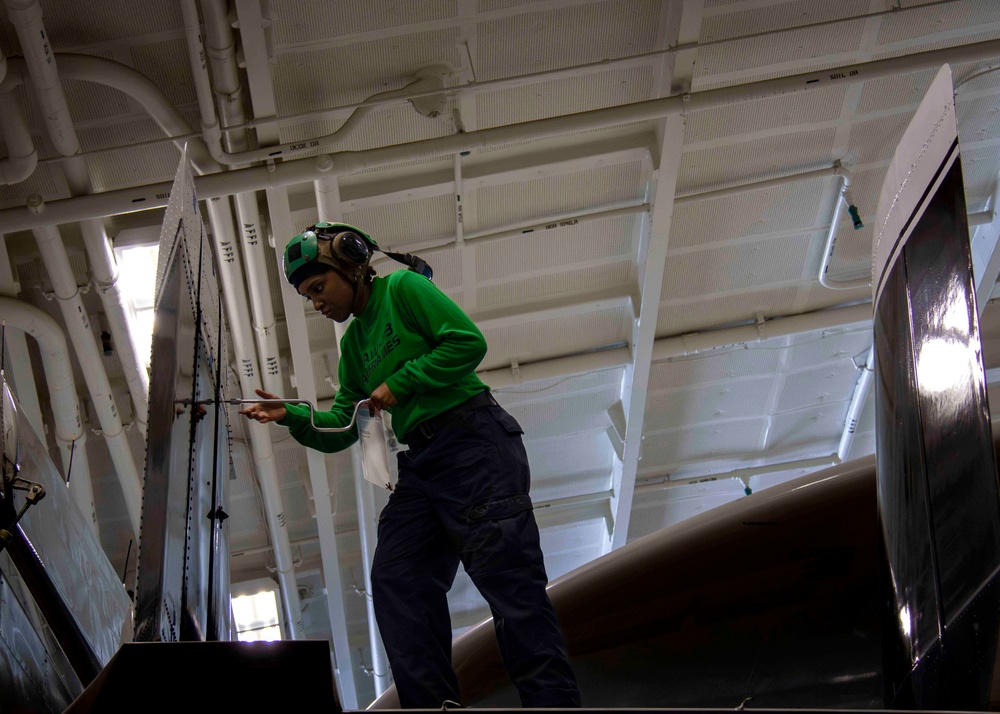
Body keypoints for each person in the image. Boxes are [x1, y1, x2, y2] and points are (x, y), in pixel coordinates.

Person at [240, 222, 581, 709]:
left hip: (472, 441)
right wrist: (292, 416)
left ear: (352, 264)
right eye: (307, 296)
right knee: (397, 578)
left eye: (319, 287)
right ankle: (432, 709)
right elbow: (344, 425)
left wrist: (402, 382)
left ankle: (554, 708)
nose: (316, 303)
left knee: (508, 583)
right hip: (423, 462)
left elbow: (466, 343)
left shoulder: (403, 288)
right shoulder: (354, 348)